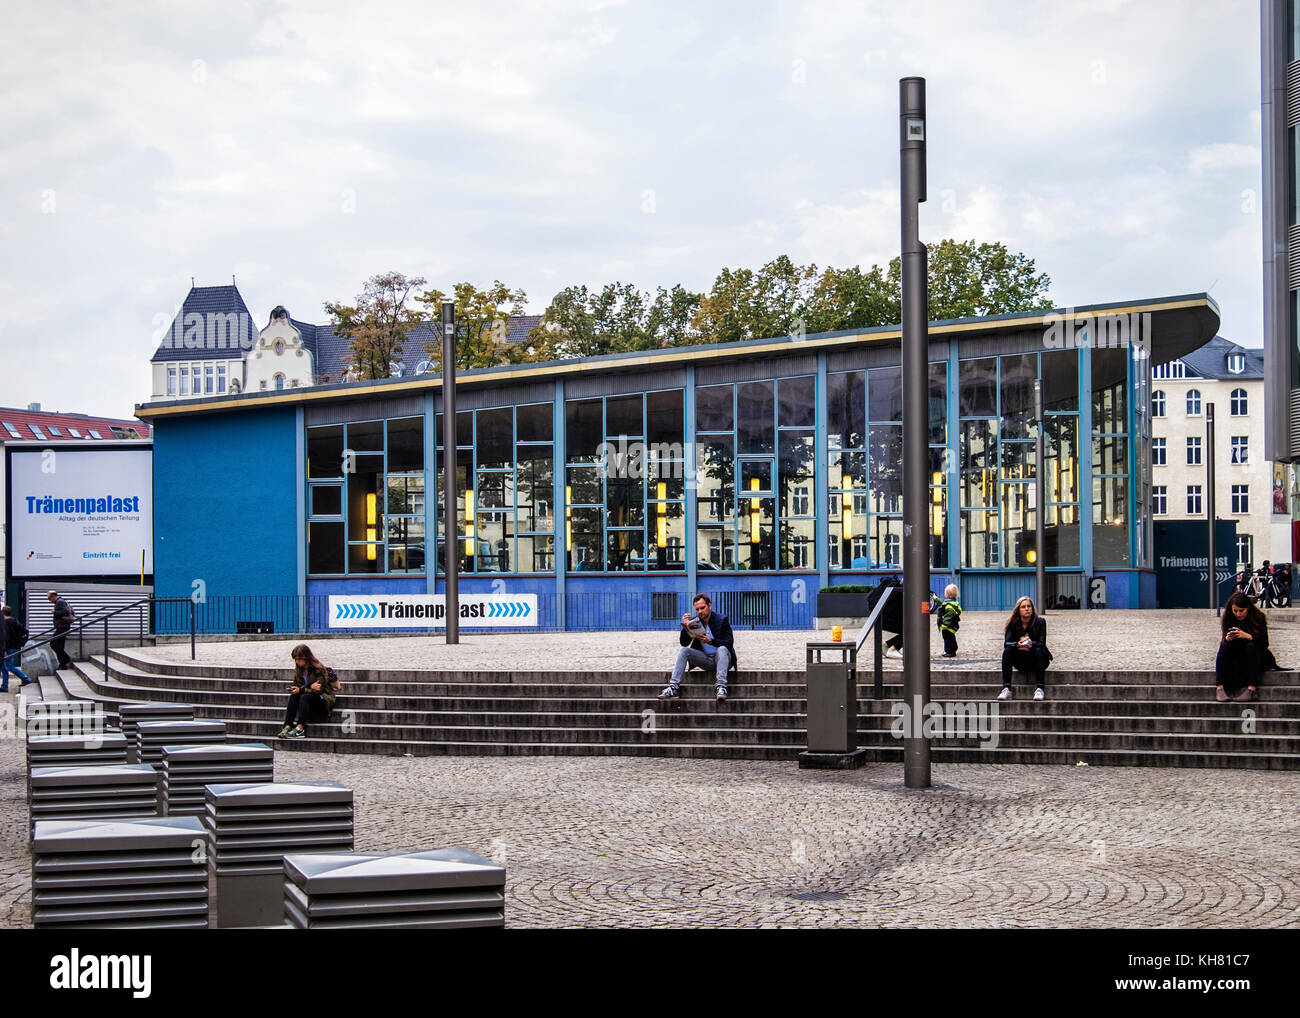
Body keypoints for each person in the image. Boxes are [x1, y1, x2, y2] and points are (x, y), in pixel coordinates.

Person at [658, 593, 737, 703]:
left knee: (722, 649)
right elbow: (684, 643)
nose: (700, 611)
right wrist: (685, 627)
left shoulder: (721, 620)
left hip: (723, 660)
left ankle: (721, 687)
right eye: (697, 609)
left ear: (710, 606)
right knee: (684, 651)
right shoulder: (695, 621)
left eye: (702, 608)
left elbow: (729, 643)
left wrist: (711, 641)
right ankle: (673, 687)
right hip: (705, 659)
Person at [1215, 591, 1277, 703]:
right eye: (1235, 611)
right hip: (1239, 655)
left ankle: (1252, 689)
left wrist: (1248, 636)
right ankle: (1220, 688)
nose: (1238, 614)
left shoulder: (1259, 618)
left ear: (1248, 608)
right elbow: (1225, 641)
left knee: (1251, 647)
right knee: (1225, 646)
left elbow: (1264, 643)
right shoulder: (1229, 618)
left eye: (1241, 611)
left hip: (1258, 655)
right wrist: (1228, 638)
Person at [277, 644, 341, 739]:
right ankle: (287, 725)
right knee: (294, 696)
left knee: (305, 696)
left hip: (322, 701)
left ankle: (300, 728)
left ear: (306, 658)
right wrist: (301, 688)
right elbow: (298, 686)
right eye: (295, 659)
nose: (297, 662)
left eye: (299, 659)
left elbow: (318, 689)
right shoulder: (299, 670)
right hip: (307, 702)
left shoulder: (318, 669)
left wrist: (302, 689)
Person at [998, 595, 1052, 701]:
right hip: (1020, 660)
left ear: (1032, 608)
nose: (1027, 609)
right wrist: (1018, 644)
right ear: (1018, 610)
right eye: (1023, 607)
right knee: (1007, 651)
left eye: (1029, 606)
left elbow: (1041, 643)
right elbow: (1007, 643)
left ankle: (1040, 688)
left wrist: (1029, 642)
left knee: (1038, 649)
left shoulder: (1040, 622)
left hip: (1037, 659)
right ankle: (1006, 688)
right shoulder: (1012, 623)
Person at [0, 605, 35, 692]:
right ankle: (4, 686)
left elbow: (4, 637)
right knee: (5, 666)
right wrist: (21, 643)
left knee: (8, 666)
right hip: (13, 647)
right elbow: (25, 632)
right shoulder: (14, 621)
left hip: (7, 648)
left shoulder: (4, 623)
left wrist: (3, 649)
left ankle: (25, 678)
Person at [931, 584, 962, 657]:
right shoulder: (951, 603)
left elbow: (948, 616)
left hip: (948, 626)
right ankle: (953, 649)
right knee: (951, 637)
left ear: (949, 595)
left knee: (948, 639)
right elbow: (942, 603)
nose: (944, 595)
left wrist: (945, 625)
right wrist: (935, 598)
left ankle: (950, 652)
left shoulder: (950, 606)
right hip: (950, 626)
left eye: (945, 593)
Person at [47, 591, 74, 669]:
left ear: (53, 596)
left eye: (49, 598)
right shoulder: (60, 601)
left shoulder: (60, 601)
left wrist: (54, 612)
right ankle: (63, 664)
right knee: (59, 645)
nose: (49, 601)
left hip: (62, 627)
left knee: (53, 643)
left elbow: (65, 611)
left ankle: (65, 660)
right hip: (61, 626)